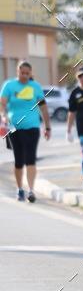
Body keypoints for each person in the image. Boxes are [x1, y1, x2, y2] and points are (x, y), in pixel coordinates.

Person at [0, 60, 51, 202]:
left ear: (31, 73)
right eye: (22, 73)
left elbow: (43, 108)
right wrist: (3, 116)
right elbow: (2, 104)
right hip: (14, 128)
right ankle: (19, 189)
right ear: (17, 71)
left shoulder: (35, 87)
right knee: (19, 160)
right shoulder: (9, 86)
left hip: (33, 128)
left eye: (27, 73)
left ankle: (31, 190)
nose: (25, 75)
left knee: (31, 159)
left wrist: (47, 126)